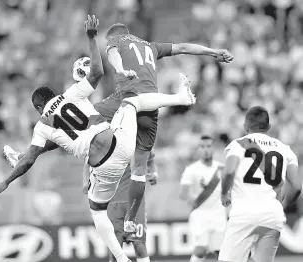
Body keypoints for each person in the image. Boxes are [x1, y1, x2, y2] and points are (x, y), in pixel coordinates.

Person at [0, 15, 196, 262]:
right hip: (121, 145)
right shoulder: (72, 94)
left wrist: (6, 181)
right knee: (132, 101)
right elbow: (98, 71)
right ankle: (179, 98)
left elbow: (30, 161)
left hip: (101, 165)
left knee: (98, 214)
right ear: (53, 94)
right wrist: (91, 37)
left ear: (37, 107)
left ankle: (120, 258)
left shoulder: (41, 126)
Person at [97, 23, 234, 232]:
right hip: (152, 106)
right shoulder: (151, 46)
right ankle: (130, 220)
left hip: (128, 98)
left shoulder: (115, 41)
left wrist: (120, 69)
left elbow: (113, 55)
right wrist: (213, 52)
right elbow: (183, 47)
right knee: (139, 169)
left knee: (86, 116)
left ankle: (48, 141)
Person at [219, 106, 302, 262]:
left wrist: (224, 193)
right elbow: (297, 186)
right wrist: (281, 206)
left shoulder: (238, 144)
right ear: (269, 127)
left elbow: (229, 171)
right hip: (272, 215)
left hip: (244, 214)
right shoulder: (285, 150)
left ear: (245, 127)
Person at [179, 135, 227, 262]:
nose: (206, 149)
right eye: (202, 146)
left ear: (214, 148)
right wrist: (191, 199)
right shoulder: (191, 169)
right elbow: (183, 193)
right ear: (198, 149)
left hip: (219, 215)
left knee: (221, 253)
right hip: (200, 215)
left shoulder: (222, 169)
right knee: (201, 250)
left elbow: (229, 190)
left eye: (209, 146)